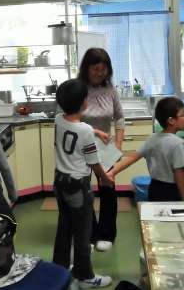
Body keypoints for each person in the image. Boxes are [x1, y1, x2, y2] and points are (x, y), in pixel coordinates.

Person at [52, 79, 113, 289]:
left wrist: (96, 132)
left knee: (64, 227)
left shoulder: (58, 119)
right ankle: (85, 276)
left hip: (60, 182)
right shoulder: (85, 130)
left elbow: (75, 128)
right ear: (83, 103)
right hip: (78, 185)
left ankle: (59, 269)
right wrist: (105, 178)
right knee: (83, 232)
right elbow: (93, 162)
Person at [78, 48, 125, 253]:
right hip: (80, 150)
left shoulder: (110, 90)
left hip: (105, 149)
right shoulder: (78, 89)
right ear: (86, 68)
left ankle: (106, 234)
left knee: (108, 190)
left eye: (103, 69)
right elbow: (70, 119)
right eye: (95, 69)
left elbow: (119, 118)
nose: (99, 73)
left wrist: (118, 147)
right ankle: (89, 234)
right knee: (83, 192)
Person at [109, 96, 184, 201]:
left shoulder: (152, 139)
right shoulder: (178, 143)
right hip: (171, 191)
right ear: (171, 120)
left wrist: (112, 172)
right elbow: (180, 174)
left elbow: (131, 158)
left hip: (154, 188)